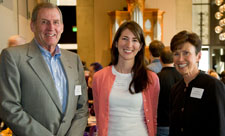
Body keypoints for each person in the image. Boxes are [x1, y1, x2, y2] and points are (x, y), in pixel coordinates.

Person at [0, 2, 88, 136]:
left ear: (62, 27)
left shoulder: (74, 60)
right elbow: (9, 107)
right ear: (32, 26)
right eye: (44, 22)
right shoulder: (13, 57)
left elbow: (81, 109)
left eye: (56, 22)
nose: (51, 28)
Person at [92, 21, 160, 136]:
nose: (129, 45)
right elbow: (99, 116)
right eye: (125, 38)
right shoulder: (99, 77)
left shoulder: (151, 78)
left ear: (140, 46)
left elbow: (153, 117)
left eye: (135, 40)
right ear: (116, 43)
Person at [169, 30, 225, 136]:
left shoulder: (213, 86)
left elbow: (221, 128)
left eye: (186, 53)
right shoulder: (175, 89)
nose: (180, 59)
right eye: (176, 54)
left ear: (198, 56)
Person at [157, 47, 182, 136]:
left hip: (161, 123)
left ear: (160, 59)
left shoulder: (156, 78)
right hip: (179, 124)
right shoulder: (182, 76)